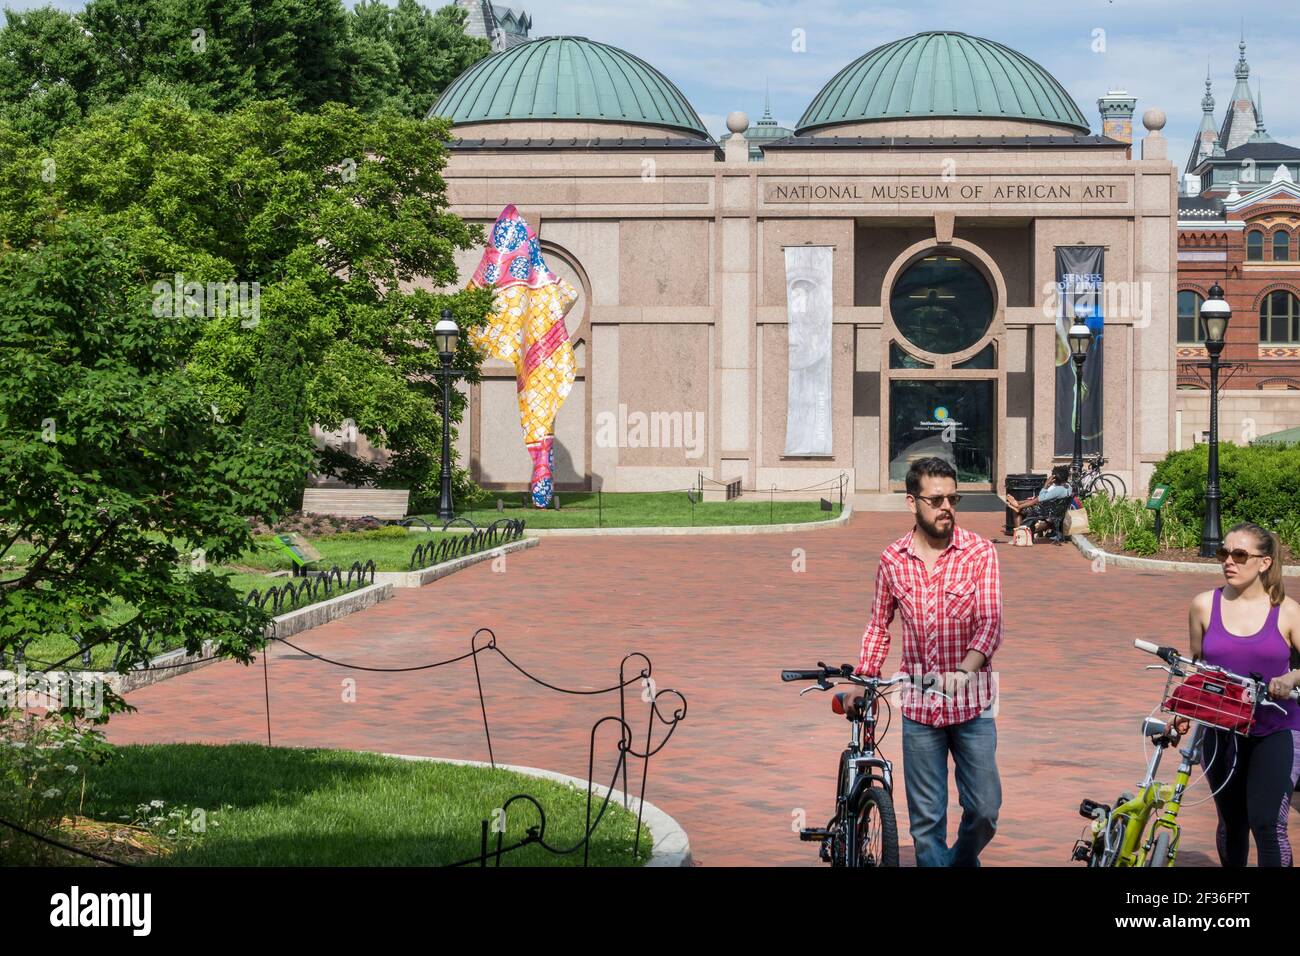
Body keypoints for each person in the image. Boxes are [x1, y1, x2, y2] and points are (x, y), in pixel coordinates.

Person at [854, 456, 1003, 866]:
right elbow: (878, 625)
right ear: (911, 502)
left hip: (973, 704)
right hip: (918, 707)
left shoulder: (979, 552)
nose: (947, 508)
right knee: (926, 824)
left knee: (985, 811)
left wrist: (962, 673)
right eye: (936, 499)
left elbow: (990, 625)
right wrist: (863, 679)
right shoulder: (892, 560)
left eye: (953, 499)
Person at [1189, 522, 1300, 867]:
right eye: (1224, 553)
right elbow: (1196, 666)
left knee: (1268, 824)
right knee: (1233, 823)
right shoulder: (1204, 605)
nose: (1228, 562)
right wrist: (1182, 713)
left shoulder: (1288, 611)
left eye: (1239, 555)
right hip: (1220, 731)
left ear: (1264, 562)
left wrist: (1291, 676)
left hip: (1276, 731)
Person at [1005, 465, 1072, 534]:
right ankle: (1017, 503)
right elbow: (1046, 497)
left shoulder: (1058, 490)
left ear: (1054, 478)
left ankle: (1019, 535)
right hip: (1056, 511)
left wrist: (1046, 484)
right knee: (1034, 499)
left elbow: (1041, 497)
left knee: (1017, 511)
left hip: (1046, 512)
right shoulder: (1068, 487)